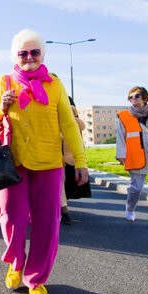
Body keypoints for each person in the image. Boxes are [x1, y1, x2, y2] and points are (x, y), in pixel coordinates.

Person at [0, 29, 88, 294]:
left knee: (47, 224)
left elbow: (68, 124)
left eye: (34, 52)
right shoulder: (5, 81)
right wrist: (2, 107)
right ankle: (16, 263)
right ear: (15, 56)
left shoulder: (54, 84)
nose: (29, 57)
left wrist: (80, 161)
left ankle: (36, 277)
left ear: (43, 54)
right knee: (11, 217)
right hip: (13, 164)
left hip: (48, 163)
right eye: (23, 53)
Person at [115, 86, 148, 231]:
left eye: (136, 96)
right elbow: (120, 137)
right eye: (130, 97)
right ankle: (130, 208)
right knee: (136, 188)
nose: (133, 99)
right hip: (137, 158)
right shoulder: (124, 117)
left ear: (145, 98)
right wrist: (121, 154)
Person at [61, 96, 88, 225]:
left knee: (63, 185)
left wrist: (81, 161)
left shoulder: (64, 100)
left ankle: (63, 210)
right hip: (54, 156)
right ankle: (63, 210)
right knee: (60, 185)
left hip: (68, 157)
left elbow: (79, 132)